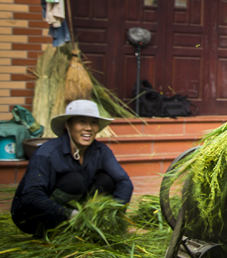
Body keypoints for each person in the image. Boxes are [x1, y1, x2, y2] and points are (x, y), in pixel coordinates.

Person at [11, 100, 134, 236]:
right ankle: (51, 231)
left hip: (79, 210)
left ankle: (86, 229)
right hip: (33, 216)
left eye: (93, 122)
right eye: (82, 121)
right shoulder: (46, 153)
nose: (88, 128)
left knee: (106, 180)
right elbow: (31, 196)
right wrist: (70, 214)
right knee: (74, 180)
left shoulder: (101, 151)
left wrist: (114, 214)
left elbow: (124, 181)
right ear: (68, 125)